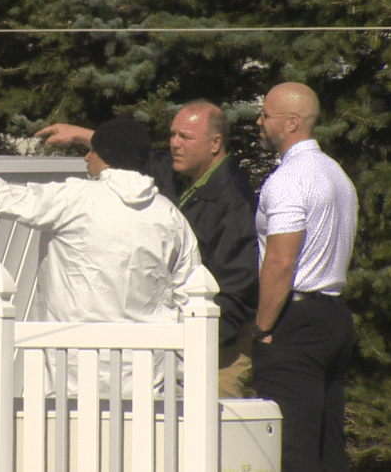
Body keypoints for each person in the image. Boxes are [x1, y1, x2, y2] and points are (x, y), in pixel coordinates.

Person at [0, 116, 203, 395]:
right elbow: (192, 300)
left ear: (107, 158)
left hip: (71, 378)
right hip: (146, 382)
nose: (86, 156)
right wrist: (182, 379)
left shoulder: (75, 199)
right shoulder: (170, 217)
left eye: (92, 150)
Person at [36, 100, 258, 397]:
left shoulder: (234, 204)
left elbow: (236, 292)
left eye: (185, 137)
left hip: (219, 350)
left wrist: (193, 344)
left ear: (215, 143)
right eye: (172, 134)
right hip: (183, 342)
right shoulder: (183, 177)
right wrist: (83, 135)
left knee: (209, 433)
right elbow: (149, 158)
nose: (174, 143)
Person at [251, 82, 357, 472]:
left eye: (265, 115)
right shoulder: (336, 173)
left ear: (292, 123)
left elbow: (280, 261)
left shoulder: (288, 180)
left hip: (296, 321)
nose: (259, 122)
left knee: (292, 450)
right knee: (329, 446)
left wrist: (262, 328)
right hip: (334, 318)